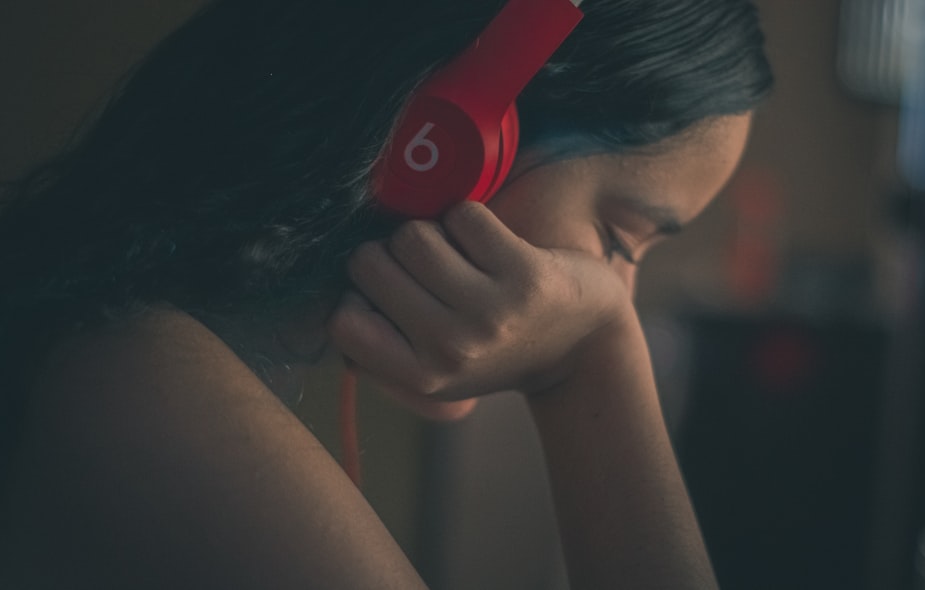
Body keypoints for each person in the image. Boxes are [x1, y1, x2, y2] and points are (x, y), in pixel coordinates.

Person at [0, 0, 772, 587]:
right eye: (618, 238)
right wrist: (594, 362)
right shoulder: (135, 388)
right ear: (445, 142)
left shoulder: (121, 353)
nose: (612, 292)